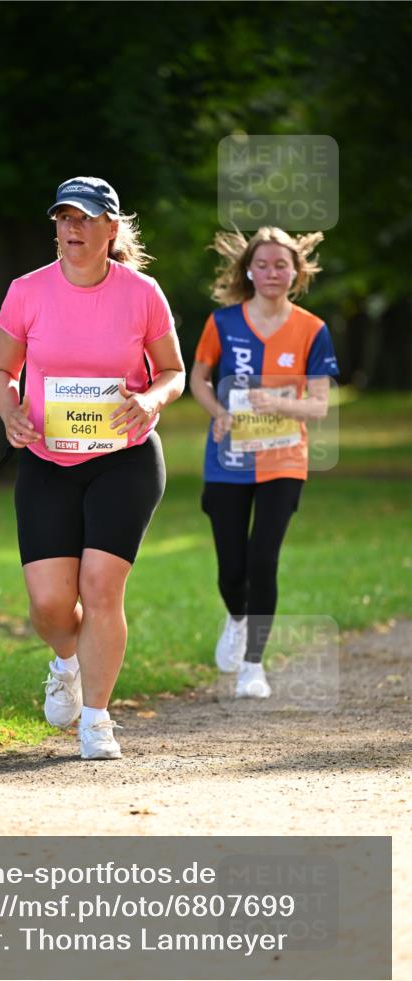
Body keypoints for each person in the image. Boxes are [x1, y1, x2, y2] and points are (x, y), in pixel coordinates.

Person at [0, 176, 185, 759]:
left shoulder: (142, 293)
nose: (72, 228)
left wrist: (150, 399)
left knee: (101, 588)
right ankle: (66, 662)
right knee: (51, 604)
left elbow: (172, 370)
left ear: (112, 228)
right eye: (64, 218)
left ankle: (96, 721)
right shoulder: (27, 291)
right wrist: (11, 411)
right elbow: (2, 372)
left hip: (124, 457)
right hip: (49, 460)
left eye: (85, 218)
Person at [190, 226, 339, 698]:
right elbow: (199, 378)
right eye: (263, 264)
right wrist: (217, 413)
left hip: (284, 460)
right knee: (231, 569)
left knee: (263, 559)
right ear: (248, 271)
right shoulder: (222, 323)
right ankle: (236, 617)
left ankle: (253, 666)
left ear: (296, 272)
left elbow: (318, 405)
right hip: (228, 460)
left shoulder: (313, 329)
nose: (272, 272)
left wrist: (277, 404)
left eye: (281, 264)